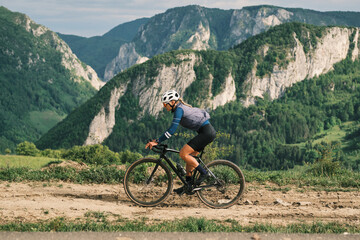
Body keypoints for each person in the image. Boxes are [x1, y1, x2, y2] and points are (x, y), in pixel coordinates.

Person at [145, 90, 216, 194]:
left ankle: (204, 173)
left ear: (172, 102)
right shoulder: (179, 108)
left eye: (165, 104)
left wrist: (158, 141)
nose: (164, 106)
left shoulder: (179, 110)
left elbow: (172, 130)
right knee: (189, 158)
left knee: (183, 153)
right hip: (205, 132)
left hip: (206, 133)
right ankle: (188, 185)